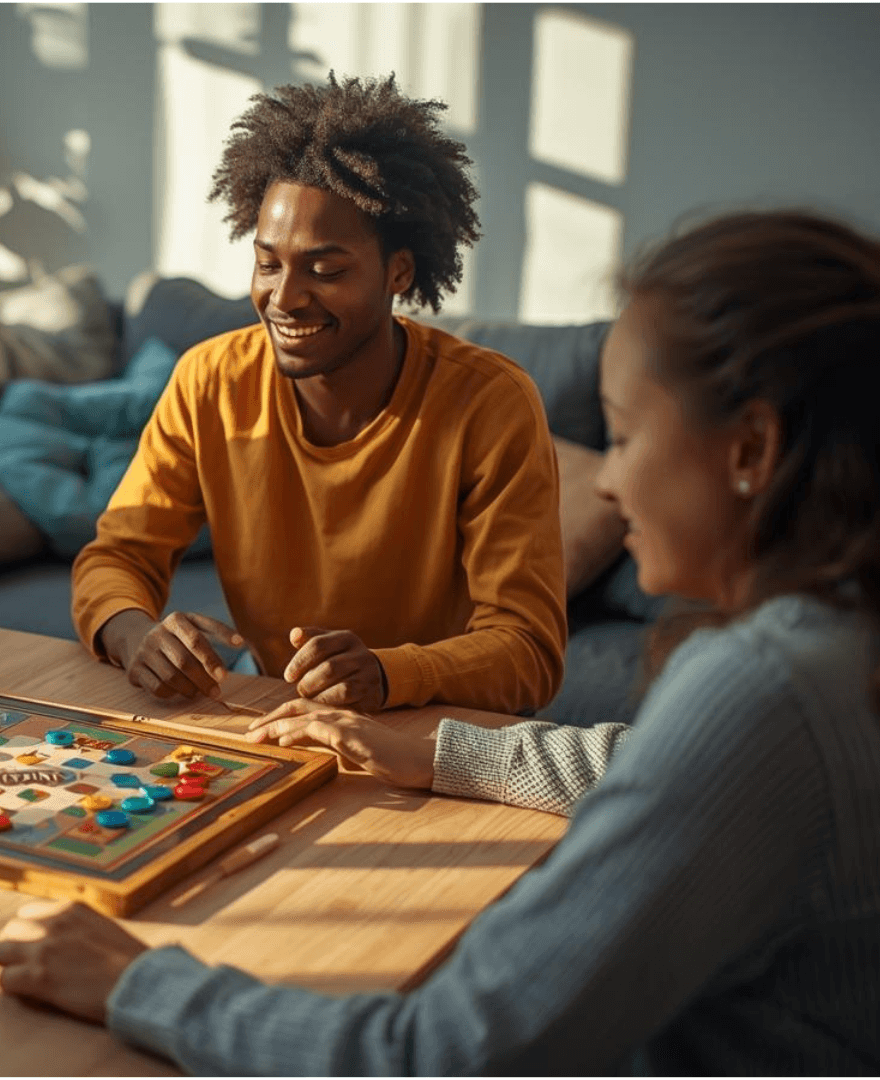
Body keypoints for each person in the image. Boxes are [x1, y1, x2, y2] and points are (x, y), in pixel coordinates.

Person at [0, 209, 880, 1073]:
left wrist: (139, 980)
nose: (606, 482)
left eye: (622, 430)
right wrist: (439, 747)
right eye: (268, 259)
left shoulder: (764, 688)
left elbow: (444, 1052)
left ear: (749, 450)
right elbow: (660, 768)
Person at [72, 74, 566, 717]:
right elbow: (116, 557)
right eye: (268, 262)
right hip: (286, 717)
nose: (284, 298)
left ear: (399, 273)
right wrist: (136, 634)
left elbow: (528, 651)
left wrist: (389, 675)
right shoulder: (210, 382)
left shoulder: (490, 404)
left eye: (326, 270)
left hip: (437, 730)